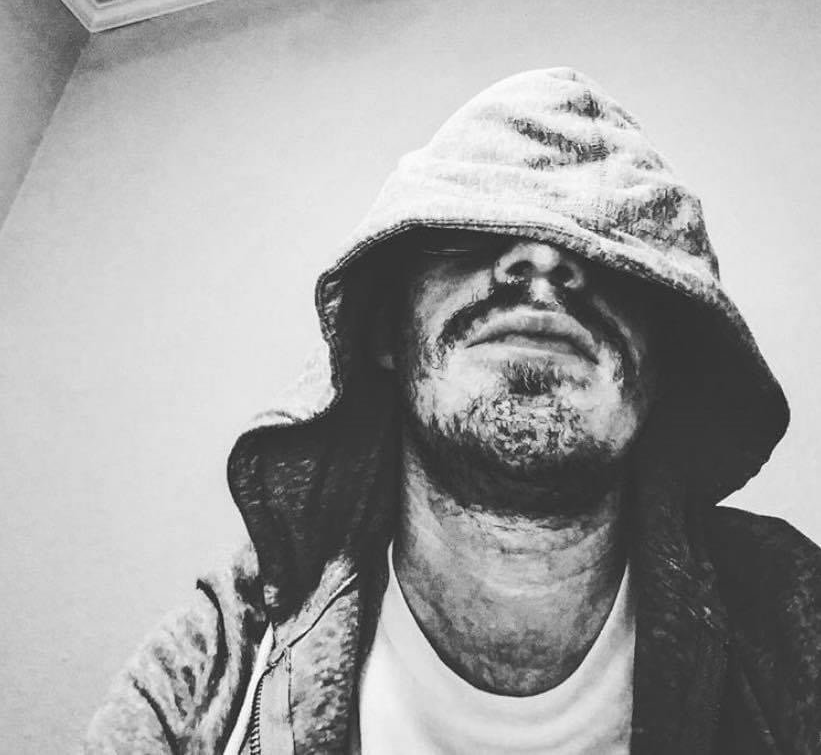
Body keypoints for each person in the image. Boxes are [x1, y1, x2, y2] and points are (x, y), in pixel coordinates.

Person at [83, 68, 821, 754]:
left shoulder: (794, 613)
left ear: (667, 368)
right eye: (470, 230)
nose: (542, 259)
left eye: (608, 253)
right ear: (382, 333)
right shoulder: (214, 663)